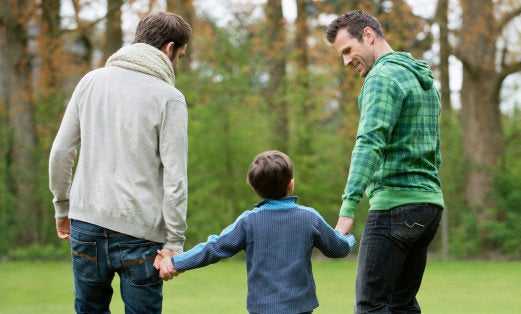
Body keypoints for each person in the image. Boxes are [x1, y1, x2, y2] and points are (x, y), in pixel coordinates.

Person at [48, 11, 192, 313]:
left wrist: (63, 207)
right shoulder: (169, 98)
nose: (177, 64)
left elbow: (61, 151)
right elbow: (175, 178)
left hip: (85, 224)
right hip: (140, 233)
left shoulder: (90, 82)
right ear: (168, 49)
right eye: (179, 56)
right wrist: (174, 242)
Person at [325, 10, 444, 313]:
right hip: (428, 206)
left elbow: (369, 143)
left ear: (368, 35)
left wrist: (348, 208)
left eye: (348, 50)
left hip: (395, 207)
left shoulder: (382, 77)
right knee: (402, 303)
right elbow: (435, 149)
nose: (346, 61)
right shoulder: (424, 80)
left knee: (371, 305)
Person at [155, 150, 356, 314]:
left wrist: (174, 262)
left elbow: (214, 248)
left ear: (255, 188)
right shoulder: (309, 217)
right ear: (291, 184)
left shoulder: (248, 222)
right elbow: (337, 249)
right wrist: (348, 239)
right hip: (300, 308)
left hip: (262, 309)